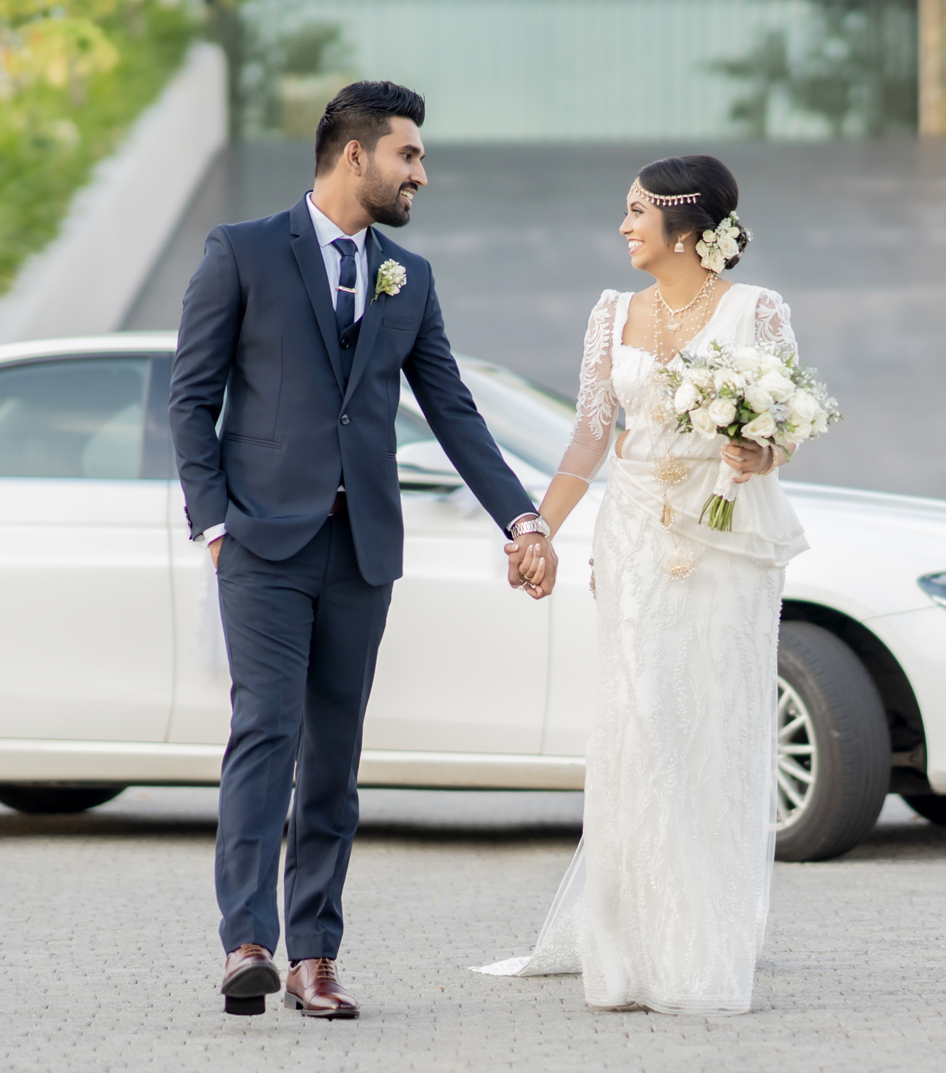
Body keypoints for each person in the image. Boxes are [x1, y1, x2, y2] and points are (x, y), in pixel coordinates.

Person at [170, 81, 558, 1020]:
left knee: (334, 759)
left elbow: (454, 410)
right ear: (356, 155)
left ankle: (315, 957)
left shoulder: (407, 278)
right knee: (266, 731)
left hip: (362, 551)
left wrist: (522, 520)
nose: (421, 173)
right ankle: (247, 943)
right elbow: (191, 398)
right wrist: (215, 525)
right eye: (408, 155)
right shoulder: (242, 251)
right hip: (262, 544)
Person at [477, 155, 809, 1015]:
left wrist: (760, 451)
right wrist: (537, 528)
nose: (624, 227)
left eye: (636, 212)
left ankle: (700, 938)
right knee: (640, 717)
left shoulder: (756, 312)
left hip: (722, 533)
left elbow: (787, 428)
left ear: (685, 228)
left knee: (712, 718)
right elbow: (590, 437)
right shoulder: (611, 314)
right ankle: (627, 946)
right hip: (631, 528)